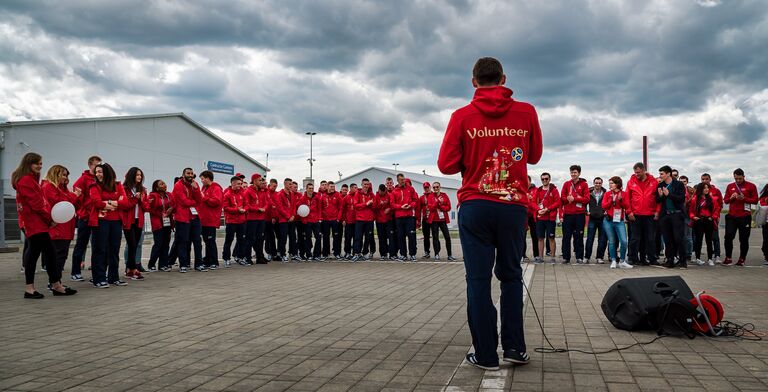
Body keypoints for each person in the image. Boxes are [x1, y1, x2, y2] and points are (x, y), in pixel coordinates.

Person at [438, 57, 542, 369]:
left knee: (478, 280)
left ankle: (485, 354)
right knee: (511, 276)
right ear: (503, 78)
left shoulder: (462, 116)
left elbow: (446, 165)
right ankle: (514, 348)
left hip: (476, 204)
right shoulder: (526, 111)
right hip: (512, 206)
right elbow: (533, 156)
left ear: (474, 82)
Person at [13, 153, 77, 298]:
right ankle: (44, 287)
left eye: (41, 163)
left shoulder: (31, 180)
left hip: (37, 223)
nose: (40, 166)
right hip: (34, 223)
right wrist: (50, 219)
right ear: (28, 164)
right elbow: (37, 204)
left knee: (42, 253)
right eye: (37, 163)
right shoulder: (26, 181)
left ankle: (49, 286)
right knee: (43, 254)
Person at [89, 163, 130, 287]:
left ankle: (113, 277)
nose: (97, 174)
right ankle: (99, 278)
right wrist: (115, 203)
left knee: (114, 249)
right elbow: (96, 202)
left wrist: (109, 202)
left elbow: (125, 202)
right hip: (101, 221)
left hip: (116, 221)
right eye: (96, 172)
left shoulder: (118, 185)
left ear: (107, 172)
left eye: (100, 171)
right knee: (100, 249)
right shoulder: (94, 186)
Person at [41, 165, 81, 290]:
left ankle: (56, 281)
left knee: (62, 255)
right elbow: (58, 201)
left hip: (66, 227)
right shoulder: (48, 186)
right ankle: (54, 282)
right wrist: (74, 196)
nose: (65, 177)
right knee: (57, 255)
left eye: (66, 175)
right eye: (63, 175)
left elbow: (72, 203)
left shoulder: (63, 189)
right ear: (56, 174)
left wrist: (75, 197)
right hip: (57, 228)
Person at [71, 155, 101, 280]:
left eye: (100, 165)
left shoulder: (101, 179)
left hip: (98, 218)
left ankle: (96, 271)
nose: (98, 167)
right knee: (81, 245)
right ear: (90, 165)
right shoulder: (84, 179)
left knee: (98, 246)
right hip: (85, 217)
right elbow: (76, 194)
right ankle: (75, 272)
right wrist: (82, 209)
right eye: (95, 165)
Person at [723, 168, 759, 266]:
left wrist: (744, 198)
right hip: (732, 216)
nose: (738, 180)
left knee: (743, 239)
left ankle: (742, 259)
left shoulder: (751, 186)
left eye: (740, 178)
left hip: (745, 216)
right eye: (736, 179)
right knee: (728, 236)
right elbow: (725, 200)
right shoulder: (730, 186)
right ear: (734, 177)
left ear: (744, 176)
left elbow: (755, 200)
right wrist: (731, 198)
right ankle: (728, 257)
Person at [119, 167, 149, 281]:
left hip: (138, 220)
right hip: (128, 220)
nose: (139, 177)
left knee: (135, 245)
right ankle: (132, 268)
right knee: (131, 244)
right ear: (132, 176)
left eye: (140, 175)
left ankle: (130, 270)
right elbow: (125, 205)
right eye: (137, 175)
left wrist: (141, 199)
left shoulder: (142, 190)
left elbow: (146, 207)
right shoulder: (124, 189)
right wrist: (134, 199)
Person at [626, 162, 659, 266]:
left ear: (644, 170)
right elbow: (627, 198)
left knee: (650, 238)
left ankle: (650, 259)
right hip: (635, 215)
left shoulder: (654, 182)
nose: (637, 174)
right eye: (635, 172)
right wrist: (629, 212)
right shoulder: (631, 182)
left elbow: (659, 199)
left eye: (639, 172)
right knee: (635, 238)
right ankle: (632, 258)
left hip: (650, 214)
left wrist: (657, 211)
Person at [172, 168, 203, 273]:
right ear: (183, 174)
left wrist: (196, 189)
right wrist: (194, 202)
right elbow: (184, 201)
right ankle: (183, 264)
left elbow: (200, 200)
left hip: (194, 217)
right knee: (183, 242)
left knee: (197, 242)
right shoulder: (178, 185)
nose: (190, 175)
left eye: (191, 173)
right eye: (188, 173)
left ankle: (199, 264)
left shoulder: (195, 184)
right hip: (182, 218)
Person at [656, 165, 687, 268]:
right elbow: (657, 200)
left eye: (662, 174)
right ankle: (670, 260)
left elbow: (681, 198)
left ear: (668, 173)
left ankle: (682, 260)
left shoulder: (678, 184)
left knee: (678, 238)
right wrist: (660, 196)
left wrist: (668, 194)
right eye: (659, 174)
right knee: (667, 239)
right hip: (665, 215)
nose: (660, 176)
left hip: (677, 214)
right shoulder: (660, 185)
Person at [560, 165, 589, 264]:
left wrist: (575, 198)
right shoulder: (566, 184)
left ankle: (579, 256)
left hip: (579, 215)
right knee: (566, 236)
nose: (573, 174)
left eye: (575, 172)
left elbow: (586, 199)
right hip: (568, 214)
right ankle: (566, 257)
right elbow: (562, 198)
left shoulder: (584, 184)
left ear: (579, 173)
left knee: (579, 236)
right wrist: (567, 199)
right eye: (571, 172)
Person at [601, 176, 632, 269]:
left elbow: (627, 206)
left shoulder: (624, 194)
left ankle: (622, 261)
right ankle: (614, 260)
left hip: (619, 220)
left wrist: (621, 200)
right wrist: (611, 201)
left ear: (617, 184)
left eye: (612, 183)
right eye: (610, 183)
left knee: (624, 241)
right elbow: (604, 206)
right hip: (608, 220)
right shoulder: (607, 194)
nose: (610, 185)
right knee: (612, 241)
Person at [690, 182, 721, 266]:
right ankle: (698, 258)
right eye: (704, 188)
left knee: (709, 240)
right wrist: (693, 217)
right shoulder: (695, 199)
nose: (707, 189)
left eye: (707, 188)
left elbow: (717, 209)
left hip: (709, 220)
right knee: (698, 240)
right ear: (700, 189)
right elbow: (691, 211)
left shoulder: (712, 199)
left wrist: (713, 217)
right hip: (699, 220)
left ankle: (710, 258)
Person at [198, 171, 224, 269]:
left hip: (211, 219)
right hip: (204, 219)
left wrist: (205, 198)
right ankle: (208, 260)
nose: (202, 181)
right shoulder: (204, 188)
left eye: (203, 179)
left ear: (208, 178)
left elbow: (216, 201)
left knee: (210, 241)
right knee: (207, 241)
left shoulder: (216, 188)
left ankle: (214, 261)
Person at [147, 180, 174, 271]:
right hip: (157, 223)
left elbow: (174, 204)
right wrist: (160, 213)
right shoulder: (152, 195)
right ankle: (151, 264)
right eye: (161, 184)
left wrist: (171, 209)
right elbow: (150, 208)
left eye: (164, 183)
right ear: (156, 188)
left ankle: (163, 264)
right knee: (158, 244)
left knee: (166, 244)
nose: (164, 185)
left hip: (167, 222)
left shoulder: (169, 195)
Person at [222, 176, 247, 267]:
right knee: (229, 240)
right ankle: (226, 259)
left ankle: (240, 257)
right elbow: (226, 208)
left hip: (241, 221)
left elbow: (246, 205)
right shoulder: (227, 194)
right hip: (231, 221)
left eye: (241, 184)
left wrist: (244, 209)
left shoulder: (242, 194)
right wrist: (237, 210)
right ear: (232, 183)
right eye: (238, 184)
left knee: (241, 240)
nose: (240, 186)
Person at [392, 174, 418, 261]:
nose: (403, 181)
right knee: (401, 236)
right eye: (401, 180)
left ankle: (412, 254)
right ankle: (403, 254)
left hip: (409, 217)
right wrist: (401, 207)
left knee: (411, 236)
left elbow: (415, 200)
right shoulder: (394, 191)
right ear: (398, 180)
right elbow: (392, 204)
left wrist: (410, 206)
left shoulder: (410, 189)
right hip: (399, 217)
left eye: (404, 179)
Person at [535, 173, 560, 264]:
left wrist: (547, 209)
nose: (544, 180)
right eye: (543, 179)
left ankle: (552, 258)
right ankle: (541, 258)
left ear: (549, 179)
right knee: (540, 238)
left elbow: (558, 202)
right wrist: (538, 210)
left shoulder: (554, 190)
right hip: (540, 218)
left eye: (546, 179)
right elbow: (533, 202)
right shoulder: (539, 190)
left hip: (550, 219)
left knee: (551, 238)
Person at [245, 174, 269, 264]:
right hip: (251, 218)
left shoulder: (262, 191)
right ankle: (247, 258)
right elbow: (247, 205)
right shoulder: (248, 191)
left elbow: (266, 202)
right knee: (250, 238)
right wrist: (257, 209)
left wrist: (264, 208)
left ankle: (260, 257)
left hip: (261, 218)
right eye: (259, 180)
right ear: (254, 181)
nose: (261, 182)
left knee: (260, 238)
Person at [428, 182, 455, 261]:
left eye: (437, 187)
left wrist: (441, 206)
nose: (436, 189)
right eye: (434, 187)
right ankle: (436, 254)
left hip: (442, 219)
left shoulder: (444, 195)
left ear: (440, 187)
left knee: (447, 237)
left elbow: (448, 207)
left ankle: (449, 255)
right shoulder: (430, 196)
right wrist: (437, 202)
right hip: (434, 220)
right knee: (435, 238)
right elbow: (430, 208)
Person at [700, 173, 724, 263]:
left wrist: (716, 216)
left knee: (715, 237)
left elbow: (720, 205)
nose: (705, 181)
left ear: (710, 179)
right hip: (702, 219)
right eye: (703, 179)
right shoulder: (699, 191)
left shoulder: (716, 191)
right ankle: (699, 255)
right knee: (702, 237)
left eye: (706, 179)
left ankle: (717, 255)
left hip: (713, 218)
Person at [352, 179, 376, 261]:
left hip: (369, 220)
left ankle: (365, 253)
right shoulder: (357, 194)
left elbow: (375, 207)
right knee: (358, 237)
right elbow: (355, 205)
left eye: (367, 184)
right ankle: (356, 253)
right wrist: (366, 204)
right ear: (361, 184)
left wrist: (372, 204)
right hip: (360, 219)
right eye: (364, 184)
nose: (366, 186)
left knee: (368, 237)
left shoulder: (372, 194)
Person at [585, 177, 608, 264]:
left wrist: (606, 212)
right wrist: (586, 212)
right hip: (592, 219)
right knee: (590, 239)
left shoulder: (606, 193)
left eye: (599, 183)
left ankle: (599, 257)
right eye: (596, 183)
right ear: (594, 183)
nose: (597, 184)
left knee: (602, 239)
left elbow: (608, 204)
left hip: (603, 219)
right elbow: (584, 203)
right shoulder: (589, 193)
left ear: (601, 184)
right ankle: (587, 257)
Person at [274, 178, 296, 262]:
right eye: (290, 184)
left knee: (293, 237)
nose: (291, 186)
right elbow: (280, 208)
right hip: (283, 220)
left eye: (291, 184)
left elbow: (294, 206)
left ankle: (292, 253)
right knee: (283, 238)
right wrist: (288, 217)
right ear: (285, 184)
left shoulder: (292, 194)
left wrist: (293, 215)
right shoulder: (279, 194)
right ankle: (282, 254)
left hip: (292, 219)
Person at [299, 182, 323, 260]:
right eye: (309, 188)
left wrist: (319, 219)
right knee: (308, 238)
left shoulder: (316, 198)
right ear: (306, 189)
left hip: (316, 221)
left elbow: (319, 209)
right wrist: (304, 220)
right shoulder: (302, 198)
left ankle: (316, 255)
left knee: (318, 237)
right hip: (307, 221)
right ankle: (309, 254)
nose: (311, 190)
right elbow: (300, 210)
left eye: (312, 188)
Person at [321, 181, 343, 260]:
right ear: (327, 187)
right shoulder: (323, 196)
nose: (332, 188)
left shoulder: (338, 195)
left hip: (335, 220)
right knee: (326, 237)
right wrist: (321, 218)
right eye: (331, 187)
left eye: (333, 186)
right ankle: (325, 254)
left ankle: (336, 253)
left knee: (336, 237)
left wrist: (338, 219)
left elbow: (341, 208)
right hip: (326, 220)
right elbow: (321, 208)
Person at [680, 175, 694, 262]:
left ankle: (688, 254)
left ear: (687, 182)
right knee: (679, 236)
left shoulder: (691, 191)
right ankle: (680, 253)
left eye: (684, 182)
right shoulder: (677, 190)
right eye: (681, 182)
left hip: (688, 216)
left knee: (688, 237)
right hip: (679, 216)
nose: (682, 183)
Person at [341, 183, 357, 259]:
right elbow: (343, 210)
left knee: (356, 238)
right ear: (351, 188)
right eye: (355, 188)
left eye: (357, 188)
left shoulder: (358, 196)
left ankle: (355, 253)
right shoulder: (346, 198)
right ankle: (347, 252)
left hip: (357, 221)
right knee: (348, 238)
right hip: (348, 221)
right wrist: (344, 219)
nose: (356, 189)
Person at [264, 179, 279, 261]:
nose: (275, 188)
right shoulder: (267, 193)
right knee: (268, 237)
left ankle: (274, 253)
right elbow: (270, 206)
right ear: (270, 185)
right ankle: (269, 252)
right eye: (273, 186)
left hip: (275, 218)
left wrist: (275, 217)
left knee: (273, 237)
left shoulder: (276, 194)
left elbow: (277, 206)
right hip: (267, 218)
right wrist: (272, 216)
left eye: (276, 186)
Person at [420, 182, 433, 259]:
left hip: (433, 218)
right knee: (426, 237)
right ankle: (427, 252)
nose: (427, 189)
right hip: (425, 219)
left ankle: (437, 252)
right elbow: (419, 209)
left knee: (435, 236)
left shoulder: (433, 195)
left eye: (428, 187)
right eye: (425, 188)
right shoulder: (421, 197)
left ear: (430, 187)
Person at [758, 184, 768, 266]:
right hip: (767, 223)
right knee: (766, 239)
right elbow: (762, 207)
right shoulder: (764, 198)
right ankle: (766, 256)